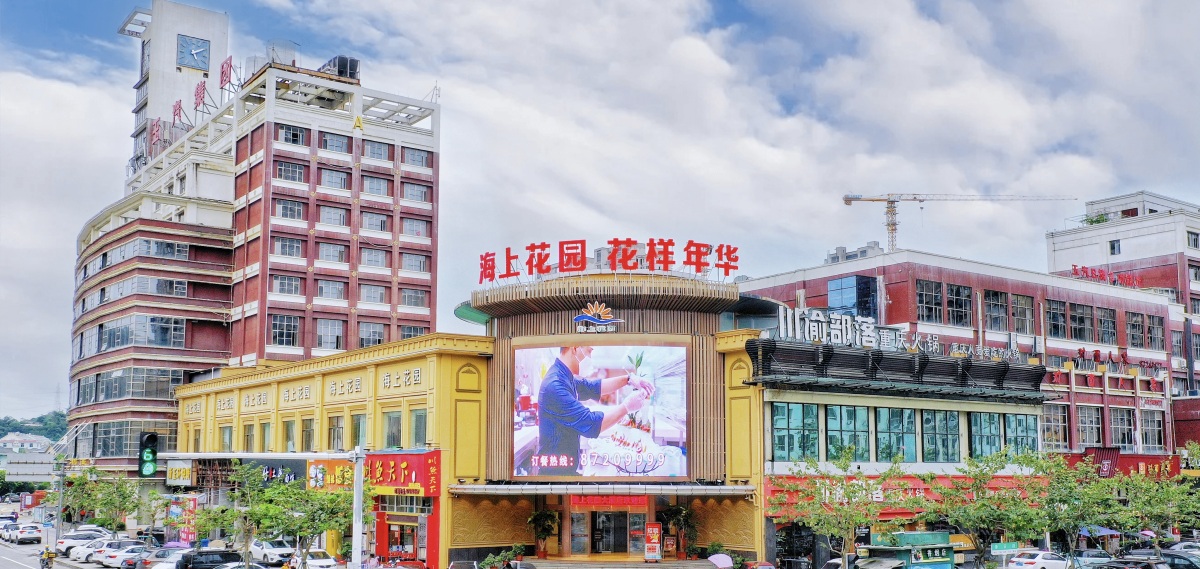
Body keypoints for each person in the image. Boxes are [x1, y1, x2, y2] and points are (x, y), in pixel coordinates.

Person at [535, 346, 655, 475]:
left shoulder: (564, 376)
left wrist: (629, 379)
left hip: (565, 471)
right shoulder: (555, 385)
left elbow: (593, 387)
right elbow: (591, 423)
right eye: (589, 351)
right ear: (574, 348)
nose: (590, 358)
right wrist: (627, 406)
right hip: (554, 476)